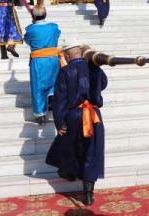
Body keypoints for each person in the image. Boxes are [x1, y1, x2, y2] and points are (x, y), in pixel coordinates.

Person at [46, 42, 107, 206]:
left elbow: (59, 100)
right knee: (91, 153)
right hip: (94, 116)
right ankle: (88, 194)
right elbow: (104, 84)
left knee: (70, 147)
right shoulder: (94, 68)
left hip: (74, 115)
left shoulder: (66, 71)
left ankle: (68, 173)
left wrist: (60, 123)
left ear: (67, 56)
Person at [24, 6, 61, 125]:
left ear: (33, 16)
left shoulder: (30, 29)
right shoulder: (53, 27)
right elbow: (57, 35)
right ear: (45, 14)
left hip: (39, 60)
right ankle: (54, 104)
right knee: (54, 82)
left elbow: (27, 40)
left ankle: (40, 114)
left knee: (38, 86)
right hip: (53, 59)